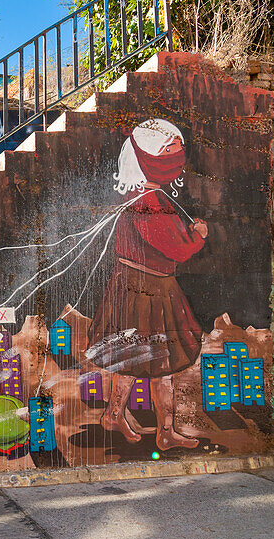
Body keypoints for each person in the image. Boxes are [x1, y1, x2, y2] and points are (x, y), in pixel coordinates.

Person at [85, 119, 206, 450]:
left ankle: (124, 418)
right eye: (170, 150)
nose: (178, 156)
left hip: (136, 286)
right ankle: (158, 428)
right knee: (156, 364)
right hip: (148, 290)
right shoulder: (149, 200)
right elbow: (175, 247)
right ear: (151, 157)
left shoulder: (146, 195)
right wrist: (196, 237)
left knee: (136, 360)